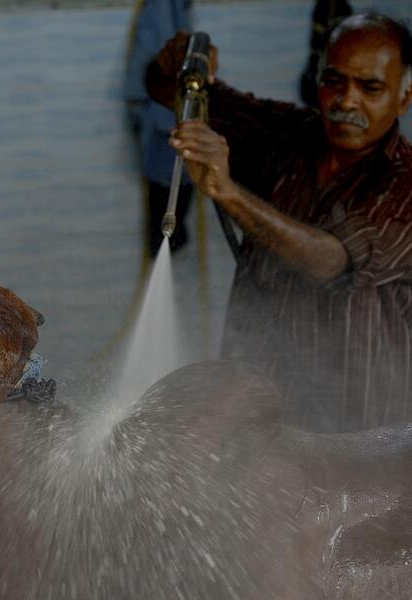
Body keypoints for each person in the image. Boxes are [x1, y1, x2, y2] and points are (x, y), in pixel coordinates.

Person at [146, 13, 412, 432]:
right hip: (254, 406)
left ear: (404, 97)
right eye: (333, 81)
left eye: (370, 87)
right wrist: (181, 62)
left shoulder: (404, 185)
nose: (346, 101)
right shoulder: (286, 134)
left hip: (354, 426)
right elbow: (164, 90)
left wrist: (228, 191)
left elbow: (329, 261)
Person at [124, 0, 194, 256]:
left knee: (175, 198)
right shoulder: (163, 11)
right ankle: (165, 239)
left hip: (170, 131)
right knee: (167, 209)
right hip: (165, 129)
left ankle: (168, 238)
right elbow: (151, 60)